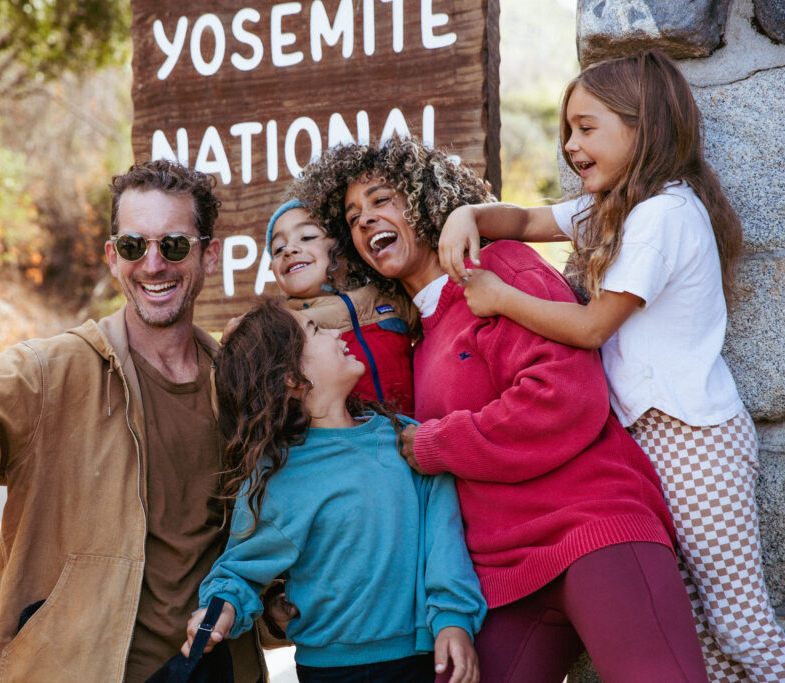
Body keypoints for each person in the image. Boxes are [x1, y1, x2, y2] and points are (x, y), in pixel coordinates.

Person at [291, 136, 708, 682]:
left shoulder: (500, 266)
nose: (366, 221)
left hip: (592, 527)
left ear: (425, 200)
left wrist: (437, 444)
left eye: (381, 200)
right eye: (352, 216)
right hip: (499, 574)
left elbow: (564, 397)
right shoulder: (417, 335)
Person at [436, 50, 785, 682]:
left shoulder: (664, 215)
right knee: (701, 633)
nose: (571, 145)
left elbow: (594, 325)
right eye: (567, 130)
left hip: (693, 442)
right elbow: (523, 218)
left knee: (740, 626)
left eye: (586, 127)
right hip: (647, 444)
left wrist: (502, 298)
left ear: (643, 125)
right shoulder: (616, 209)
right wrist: (467, 215)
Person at [0, 160, 265, 682]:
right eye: (135, 246)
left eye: (175, 245)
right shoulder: (48, 371)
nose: (154, 264)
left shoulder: (239, 386)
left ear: (209, 256)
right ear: (113, 258)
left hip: (214, 672)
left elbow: (274, 528)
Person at [181, 298, 486, 683]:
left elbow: (443, 538)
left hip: (418, 662)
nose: (335, 332)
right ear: (291, 377)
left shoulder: (407, 440)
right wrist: (219, 612)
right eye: (314, 330)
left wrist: (453, 619)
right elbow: (241, 569)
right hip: (327, 671)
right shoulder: (278, 474)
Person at [266, 198, 415, 414]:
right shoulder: (283, 324)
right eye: (278, 249)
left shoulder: (388, 294)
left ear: (342, 246)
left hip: (414, 438)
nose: (288, 250)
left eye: (307, 237)